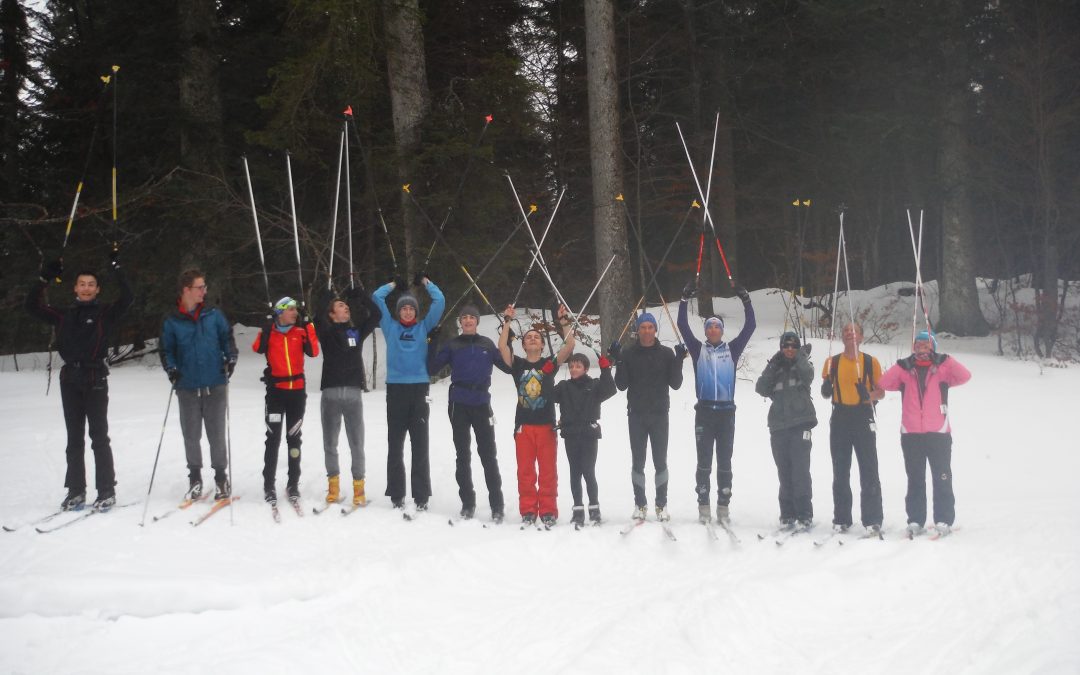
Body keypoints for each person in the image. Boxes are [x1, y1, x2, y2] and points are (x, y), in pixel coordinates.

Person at [25, 251, 133, 511]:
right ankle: (76, 491)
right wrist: (44, 278)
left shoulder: (105, 313)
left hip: (95, 378)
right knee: (74, 439)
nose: (86, 288)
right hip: (70, 379)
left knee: (99, 437)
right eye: (82, 284)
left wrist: (118, 269)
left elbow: (129, 298)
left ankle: (106, 491)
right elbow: (31, 306)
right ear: (75, 288)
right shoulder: (63, 315)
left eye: (91, 284)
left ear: (97, 290)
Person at [875, 330, 971, 537]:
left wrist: (946, 359)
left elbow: (965, 376)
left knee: (942, 477)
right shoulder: (905, 370)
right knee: (915, 479)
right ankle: (916, 520)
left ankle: (944, 519)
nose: (921, 347)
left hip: (939, 432)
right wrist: (903, 363)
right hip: (911, 434)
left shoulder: (943, 368)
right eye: (918, 344)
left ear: (933, 347)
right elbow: (883, 383)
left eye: (926, 344)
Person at [677, 282, 756, 524]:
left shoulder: (732, 350)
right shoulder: (697, 349)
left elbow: (750, 326)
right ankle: (703, 506)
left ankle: (723, 506)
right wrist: (683, 300)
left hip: (726, 414)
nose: (712, 329)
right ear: (705, 331)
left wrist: (746, 301)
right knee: (703, 462)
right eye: (709, 326)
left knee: (724, 460)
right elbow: (682, 325)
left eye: (716, 326)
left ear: (721, 331)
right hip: (704, 413)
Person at [160, 269, 238, 502]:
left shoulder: (213, 314)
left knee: (216, 434)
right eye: (200, 287)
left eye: (204, 287)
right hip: (187, 385)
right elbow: (166, 350)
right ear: (186, 290)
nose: (204, 291)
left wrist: (230, 357)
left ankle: (221, 478)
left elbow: (227, 338)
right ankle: (195, 478)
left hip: (215, 381)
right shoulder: (172, 319)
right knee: (191, 434)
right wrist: (171, 368)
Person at [428, 305, 510, 522]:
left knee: (488, 455)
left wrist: (507, 335)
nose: (467, 320)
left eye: (471, 317)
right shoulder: (453, 345)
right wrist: (432, 341)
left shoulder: (487, 344)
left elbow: (507, 366)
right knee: (462, 455)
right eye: (463, 317)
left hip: (482, 403)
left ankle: (497, 505)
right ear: (460, 322)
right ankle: (467, 503)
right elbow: (431, 368)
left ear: (477, 321)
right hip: (459, 403)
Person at [498, 304, 575, 527]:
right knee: (526, 471)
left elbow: (569, 344)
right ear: (523, 345)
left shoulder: (548, 365)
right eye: (528, 337)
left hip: (546, 426)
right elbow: (502, 346)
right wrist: (507, 321)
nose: (532, 339)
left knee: (548, 471)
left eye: (536, 337)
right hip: (523, 427)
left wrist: (563, 321)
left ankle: (549, 510)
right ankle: (529, 510)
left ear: (542, 345)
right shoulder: (518, 365)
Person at [372, 276, 445, 511]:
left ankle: (421, 496)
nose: (406, 312)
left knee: (420, 444)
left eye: (410, 308)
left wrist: (425, 282)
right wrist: (394, 285)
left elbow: (440, 300)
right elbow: (376, 298)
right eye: (403, 308)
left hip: (419, 389)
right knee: (395, 444)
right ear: (398, 312)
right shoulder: (389, 326)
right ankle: (396, 494)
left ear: (415, 311)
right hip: (395, 389)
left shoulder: (424, 327)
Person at [610, 313, 685, 522]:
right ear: (637, 330)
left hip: (660, 415)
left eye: (650, 327)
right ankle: (640, 504)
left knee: (660, 461)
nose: (646, 331)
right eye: (642, 327)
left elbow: (676, 383)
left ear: (655, 330)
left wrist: (678, 360)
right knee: (638, 462)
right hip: (637, 415)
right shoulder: (629, 353)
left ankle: (661, 505)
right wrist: (619, 359)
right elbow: (621, 384)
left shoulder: (666, 353)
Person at [313, 282, 381, 508]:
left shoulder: (356, 331)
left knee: (356, 443)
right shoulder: (327, 331)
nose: (346, 308)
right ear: (332, 314)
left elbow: (377, 315)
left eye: (346, 305)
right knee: (330, 442)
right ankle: (333, 487)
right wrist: (326, 297)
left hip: (353, 394)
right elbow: (316, 317)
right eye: (341, 306)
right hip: (331, 393)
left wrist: (361, 296)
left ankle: (358, 488)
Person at [252, 296, 319, 506]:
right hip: (276, 393)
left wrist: (309, 326)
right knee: (272, 438)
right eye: (291, 310)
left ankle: (293, 483)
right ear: (280, 311)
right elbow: (257, 348)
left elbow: (314, 351)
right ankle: (269, 484)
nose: (295, 313)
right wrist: (265, 328)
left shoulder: (299, 332)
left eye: (296, 310)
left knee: (294, 438)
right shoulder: (270, 332)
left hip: (297, 393)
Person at [821, 322, 884, 535]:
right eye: (846, 330)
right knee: (840, 470)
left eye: (855, 330)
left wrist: (869, 396)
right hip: (840, 417)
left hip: (862, 416)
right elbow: (827, 391)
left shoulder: (869, 362)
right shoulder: (832, 362)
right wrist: (826, 389)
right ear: (842, 337)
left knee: (869, 468)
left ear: (861, 336)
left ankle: (872, 518)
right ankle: (841, 518)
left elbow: (881, 392)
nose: (850, 333)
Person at [755, 331, 817, 529]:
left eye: (793, 346)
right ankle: (787, 513)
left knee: (800, 470)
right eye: (786, 346)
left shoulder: (804, 363)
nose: (789, 349)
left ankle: (804, 512)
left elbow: (808, 376)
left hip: (801, 424)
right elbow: (761, 388)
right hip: (779, 426)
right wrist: (772, 364)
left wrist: (800, 356)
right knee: (784, 471)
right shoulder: (777, 367)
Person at [554, 352, 617, 527]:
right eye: (571, 366)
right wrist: (549, 372)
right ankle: (578, 510)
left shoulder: (594, 385)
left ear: (586, 369)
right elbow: (547, 394)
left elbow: (611, 389)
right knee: (575, 472)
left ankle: (595, 510)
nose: (574, 369)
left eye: (578, 366)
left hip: (589, 433)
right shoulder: (564, 386)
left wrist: (605, 370)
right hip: (571, 433)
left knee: (588, 471)